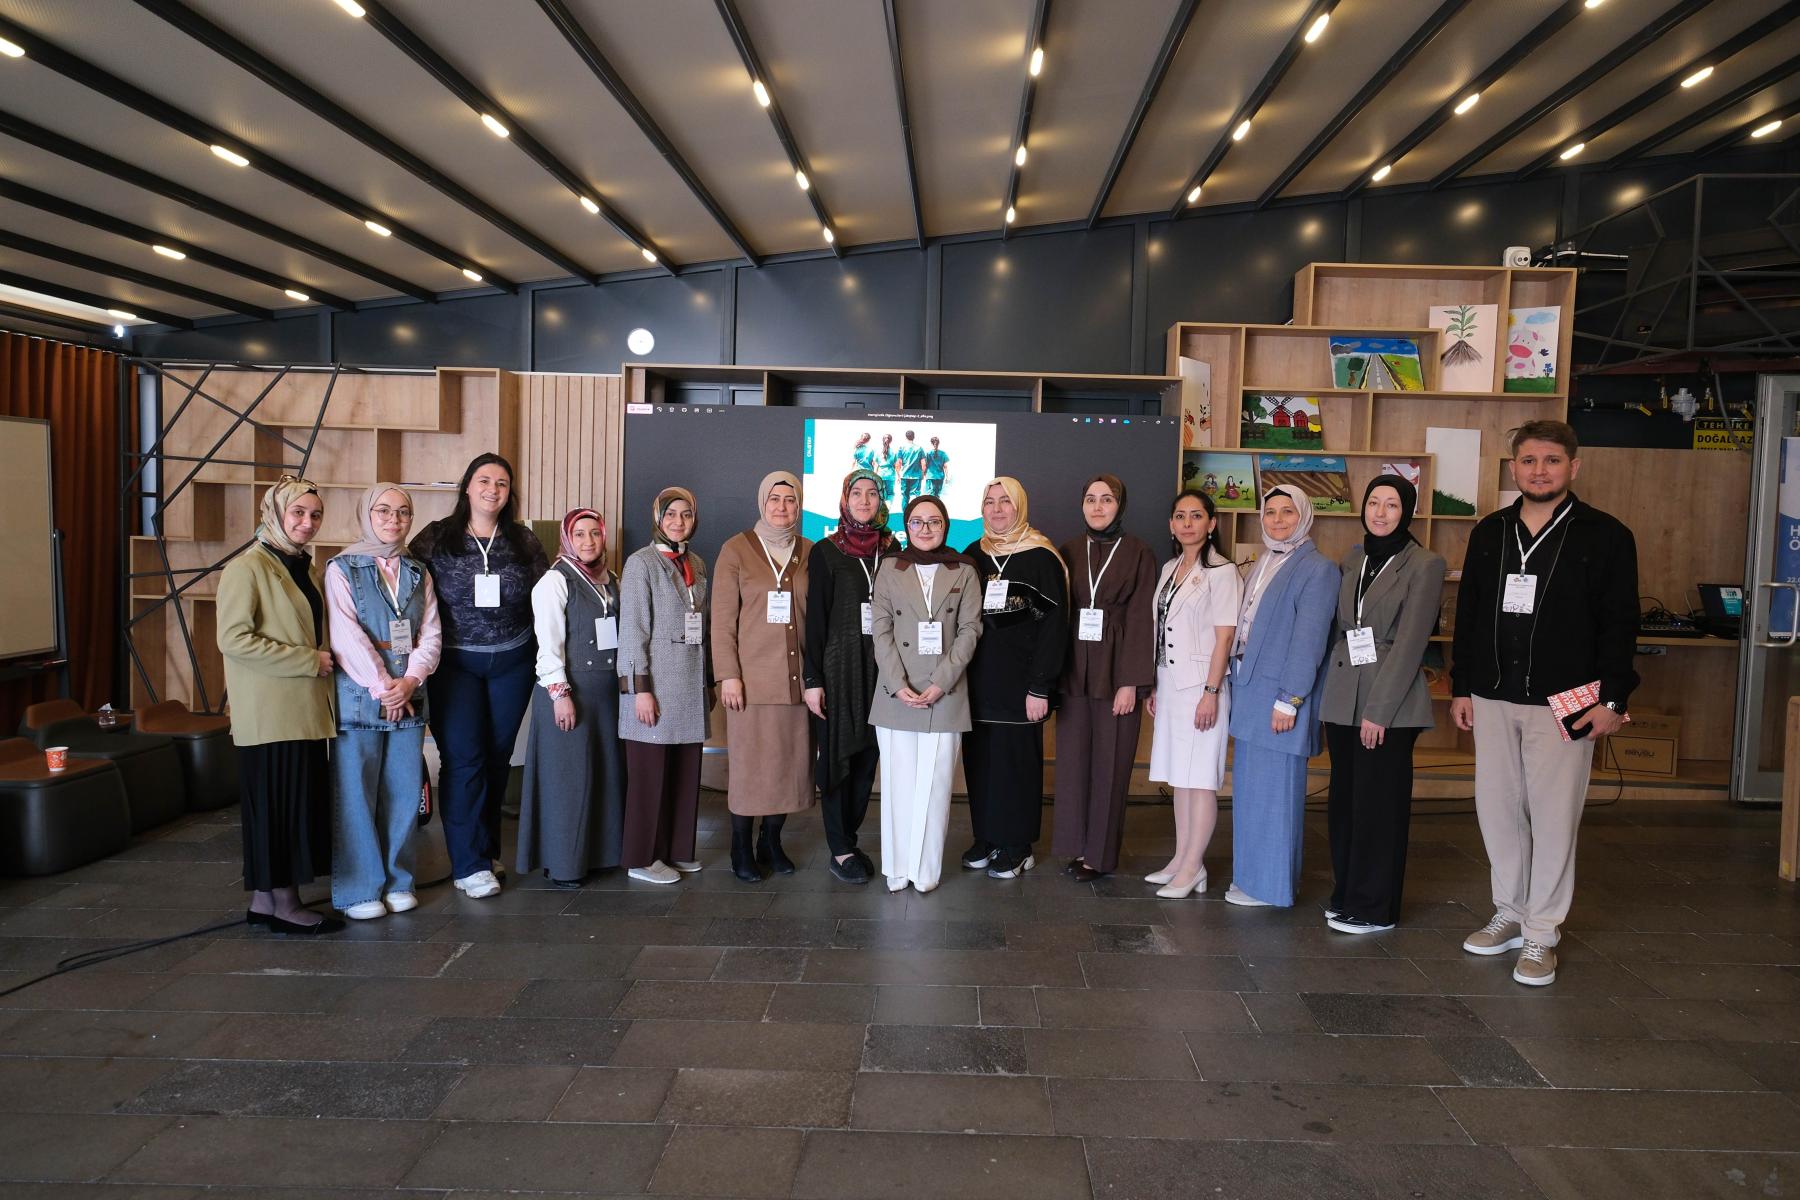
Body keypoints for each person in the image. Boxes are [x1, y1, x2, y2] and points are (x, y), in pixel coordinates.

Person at [1451, 420, 1638, 986]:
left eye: (1552, 460)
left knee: (1554, 818)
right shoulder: (1490, 531)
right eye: (1529, 460)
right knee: (1498, 811)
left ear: (1572, 467)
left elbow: (1620, 623)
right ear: (1514, 468)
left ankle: (1541, 933)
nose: (1539, 470)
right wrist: (1461, 685)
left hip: (1568, 698)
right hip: (1492, 692)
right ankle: (1509, 912)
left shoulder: (1606, 535)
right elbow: (1469, 614)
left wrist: (1612, 698)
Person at [412, 453, 549, 900]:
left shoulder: (523, 541)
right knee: (463, 758)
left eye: (502, 483)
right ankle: (468, 865)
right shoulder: (436, 538)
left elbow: (547, 599)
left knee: (496, 757)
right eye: (484, 480)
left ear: (510, 493)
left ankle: (486, 852)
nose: (493, 489)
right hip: (455, 665)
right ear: (468, 486)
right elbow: (405, 589)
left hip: (513, 662)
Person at [1320, 475, 1445, 933]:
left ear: (1406, 512)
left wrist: (1379, 711)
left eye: (1392, 505)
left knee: (1378, 807)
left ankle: (1374, 908)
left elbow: (1411, 644)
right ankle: (1348, 894)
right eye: (1374, 502)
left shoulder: (1425, 564)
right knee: (1345, 803)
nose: (1380, 512)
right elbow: (1341, 628)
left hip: (1387, 703)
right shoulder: (1353, 558)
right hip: (1344, 695)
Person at [217, 476, 341, 935]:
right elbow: (233, 639)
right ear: (275, 513)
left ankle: (265, 902)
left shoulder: (304, 567)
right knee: (277, 809)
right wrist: (309, 661)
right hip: (270, 712)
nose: (307, 522)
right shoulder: (247, 567)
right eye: (298, 513)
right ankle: (286, 905)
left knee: (285, 807)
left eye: (315, 515)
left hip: (302, 710)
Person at [325, 484, 442, 921]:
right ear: (366, 515)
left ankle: (398, 880)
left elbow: (432, 632)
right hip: (361, 699)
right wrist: (384, 687)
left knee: (403, 793)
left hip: (410, 696)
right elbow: (345, 635)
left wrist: (409, 681)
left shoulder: (418, 570)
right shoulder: (342, 567)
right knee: (357, 797)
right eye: (384, 511)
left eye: (403, 512)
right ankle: (359, 889)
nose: (394, 519)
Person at [1226, 484, 1339, 908]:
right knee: (1253, 794)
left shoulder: (1318, 569)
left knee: (1276, 797)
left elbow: (1309, 642)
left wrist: (1289, 699)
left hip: (1280, 700)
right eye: (1270, 511)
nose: (1277, 520)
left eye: (1287, 511)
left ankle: (1272, 888)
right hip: (1252, 691)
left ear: (1305, 516)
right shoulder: (1266, 560)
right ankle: (1251, 879)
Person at [870, 495, 983, 893]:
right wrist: (898, 683)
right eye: (917, 522)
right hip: (896, 691)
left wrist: (941, 682)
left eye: (934, 521)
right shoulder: (889, 567)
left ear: (946, 525)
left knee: (934, 787)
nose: (925, 529)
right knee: (897, 785)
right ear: (907, 526)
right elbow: (880, 629)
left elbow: (970, 630)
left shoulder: (964, 570)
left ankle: (926, 870)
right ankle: (897, 867)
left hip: (945, 691)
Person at [961, 477, 1067, 880]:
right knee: (980, 764)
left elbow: (1054, 628)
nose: (997, 509)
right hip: (976, 684)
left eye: (1005, 501)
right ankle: (987, 837)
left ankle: (1018, 846)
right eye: (989, 501)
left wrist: (1041, 686)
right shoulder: (973, 555)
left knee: (1016, 767)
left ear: (1019, 506)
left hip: (1023, 687)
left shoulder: (1042, 556)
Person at [714, 471, 817, 883]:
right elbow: (722, 622)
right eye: (774, 498)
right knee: (750, 771)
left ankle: (770, 842)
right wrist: (728, 675)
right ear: (762, 502)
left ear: (799, 505)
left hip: (796, 684)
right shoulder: (736, 549)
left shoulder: (810, 551)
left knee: (787, 770)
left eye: (790, 500)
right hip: (751, 685)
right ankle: (740, 846)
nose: (782, 507)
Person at [1054, 475, 1158, 881]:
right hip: (1073, 670)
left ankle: (1099, 856)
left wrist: (1131, 682)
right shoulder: (1066, 551)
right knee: (1073, 763)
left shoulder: (1139, 552)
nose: (1098, 507)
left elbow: (1142, 619)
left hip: (1117, 671)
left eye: (1107, 499)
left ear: (1120, 505)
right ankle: (1076, 845)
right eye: (1090, 499)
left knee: (1110, 765)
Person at [519, 508, 627, 888]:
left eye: (595, 533)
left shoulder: (611, 580)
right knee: (568, 782)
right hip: (571, 692)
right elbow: (548, 645)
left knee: (603, 777)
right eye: (579, 534)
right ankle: (564, 864)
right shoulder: (554, 581)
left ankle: (600, 856)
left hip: (606, 695)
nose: (588, 541)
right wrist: (560, 694)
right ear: (567, 538)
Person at [1144, 489, 1240, 898]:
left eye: (1196, 515)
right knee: (1180, 779)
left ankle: (1194, 865)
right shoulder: (1170, 568)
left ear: (1211, 523)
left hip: (1202, 686)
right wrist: (1154, 684)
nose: (1187, 523)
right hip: (1170, 684)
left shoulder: (1222, 571)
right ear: (1171, 524)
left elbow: (1225, 638)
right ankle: (1181, 858)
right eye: (1180, 516)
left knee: (1200, 779)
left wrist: (1211, 692)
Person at [803, 469, 896, 884]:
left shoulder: (893, 551)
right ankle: (839, 849)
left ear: (881, 501)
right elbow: (816, 622)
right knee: (838, 759)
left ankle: (850, 840)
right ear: (845, 499)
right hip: (839, 673)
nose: (864, 500)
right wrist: (813, 680)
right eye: (856, 493)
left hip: (882, 672)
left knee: (867, 759)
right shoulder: (826, 551)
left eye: (872, 493)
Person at [618, 487, 712, 882]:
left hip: (689, 681)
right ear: (657, 518)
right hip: (654, 685)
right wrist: (639, 689)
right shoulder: (641, 563)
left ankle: (676, 849)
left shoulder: (697, 563)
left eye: (686, 514)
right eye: (670, 514)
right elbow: (633, 630)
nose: (678, 521)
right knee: (649, 776)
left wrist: (708, 682)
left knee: (684, 773)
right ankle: (641, 858)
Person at [896, 429, 926, 510]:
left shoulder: (901, 448)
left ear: (906, 437)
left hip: (904, 475)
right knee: (916, 495)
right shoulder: (919, 448)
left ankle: (905, 514)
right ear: (914, 437)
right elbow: (923, 463)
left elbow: (898, 463)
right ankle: (915, 512)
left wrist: (898, 475)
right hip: (916, 476)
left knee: (905, 496)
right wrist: (923, 474)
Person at [875, 434, 897, 503]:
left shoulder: (878, 451)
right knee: (890, 494)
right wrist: (899, 475)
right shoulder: (893, 452)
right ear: (891, 441)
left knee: (880, 493)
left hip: (880, 475)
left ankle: (882, 507)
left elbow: (876, 465)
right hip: (890, 475)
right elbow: (895, 465)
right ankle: (888, 506)